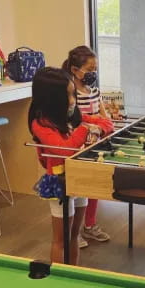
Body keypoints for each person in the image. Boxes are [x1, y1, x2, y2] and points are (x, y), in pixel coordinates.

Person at [29, 67, 113, 265]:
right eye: (67, 95)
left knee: (75, 235)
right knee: (61, 239)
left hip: (79, 178)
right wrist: (85, 129)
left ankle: (73, 274)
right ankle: (59, 282)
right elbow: (64, 149)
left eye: (73, 93)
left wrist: (98, 128)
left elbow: (106, 123)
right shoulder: (41, 124)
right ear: (51, 100)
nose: (72, 100)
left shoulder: (72, 116)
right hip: (59, 183)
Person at [62, 45, 110, 248]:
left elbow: (103, 115)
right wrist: (93, 125)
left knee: (93, 187)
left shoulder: (94, 91)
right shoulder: (71, 93)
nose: (93, 74)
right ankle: (73, 231)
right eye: (89, 70)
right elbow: (73, 119)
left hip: (94, 145)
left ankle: (89, 226)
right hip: (77, 146)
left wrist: (107, 123)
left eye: (95, 69)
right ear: (75, 70)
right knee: (76, 190)